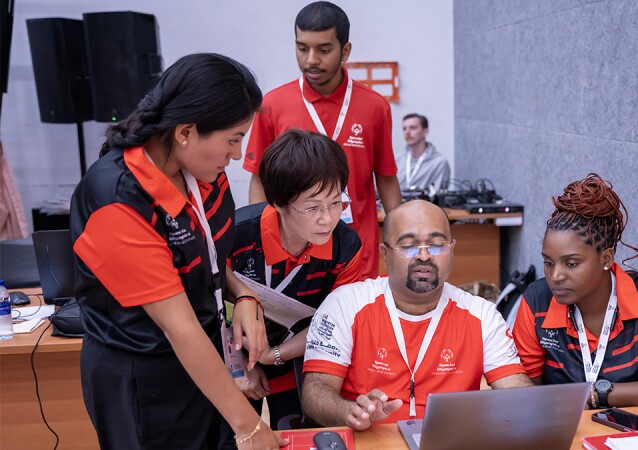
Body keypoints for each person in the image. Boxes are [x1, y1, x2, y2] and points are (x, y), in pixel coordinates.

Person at [70, 53, 286, 449]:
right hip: (147, 378)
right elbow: (178, 327)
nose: (237, 155)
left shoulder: (205, 174)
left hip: (206, 363)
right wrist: (250, 428)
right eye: (234, 139)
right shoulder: (116, 199)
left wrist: (248, 298)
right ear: (186, 131)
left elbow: (213, 264)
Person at [301, 200, 531, 430]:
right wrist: (349, 412)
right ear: (385, 253)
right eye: (409, 246)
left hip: (449, 442)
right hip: (368, 441)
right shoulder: (346, 304)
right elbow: (315, 391)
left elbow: (517, 393)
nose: (424, 256)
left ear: (452, 248)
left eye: (436, 244)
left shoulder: (482, 315)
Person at [512, 173, 638, 408]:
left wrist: (599, 394)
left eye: (571, 264)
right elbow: (523, 394)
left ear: (606, 258)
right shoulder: (537, 301)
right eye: (548, 262)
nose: (555, 276)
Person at [219, 129, 363, 445]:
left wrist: (273, 356)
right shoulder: (236, 235)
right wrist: (239, 363)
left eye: (336, 202)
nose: (328, 219)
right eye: (313, 207)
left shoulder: (345, 245)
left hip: (299, 355)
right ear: (279, 204)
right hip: (229, 353)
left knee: (300, 435)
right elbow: (208, 308)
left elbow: (337, 323)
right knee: (228, 437)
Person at [243, 1, 402, 280]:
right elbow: (259, 178)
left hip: (356, 249)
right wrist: (261, 242)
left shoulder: (375, 107)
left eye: (324, 50)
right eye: (302, 48)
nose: (311, 60)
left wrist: (402, 240)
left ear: (345, 51)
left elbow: (386, 179)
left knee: (351, 322)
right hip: (291, 250)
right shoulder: (274, 104)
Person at [395, 113, 450, 192]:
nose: (407, 132)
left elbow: (438, 196)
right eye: (404, 129)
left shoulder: (439, 163)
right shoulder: (397, 160)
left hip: (424, 204)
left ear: (425, 132)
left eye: (412, 128)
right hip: (398, 204)